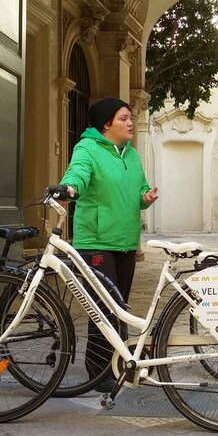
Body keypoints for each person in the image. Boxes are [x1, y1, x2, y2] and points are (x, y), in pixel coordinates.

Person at [59, 97, 158, 393]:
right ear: (106, 124)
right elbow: (78, 174)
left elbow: (139, 189)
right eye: (124, 118)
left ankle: (120, 364)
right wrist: (69, 187)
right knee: (104, 308)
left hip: (126, 242)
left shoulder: (131, 155)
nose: (130, 123)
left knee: (120, 307)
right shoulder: (87, 148)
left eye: (130, 118)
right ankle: (99, 372)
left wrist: (146, 197)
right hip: (96, 242)